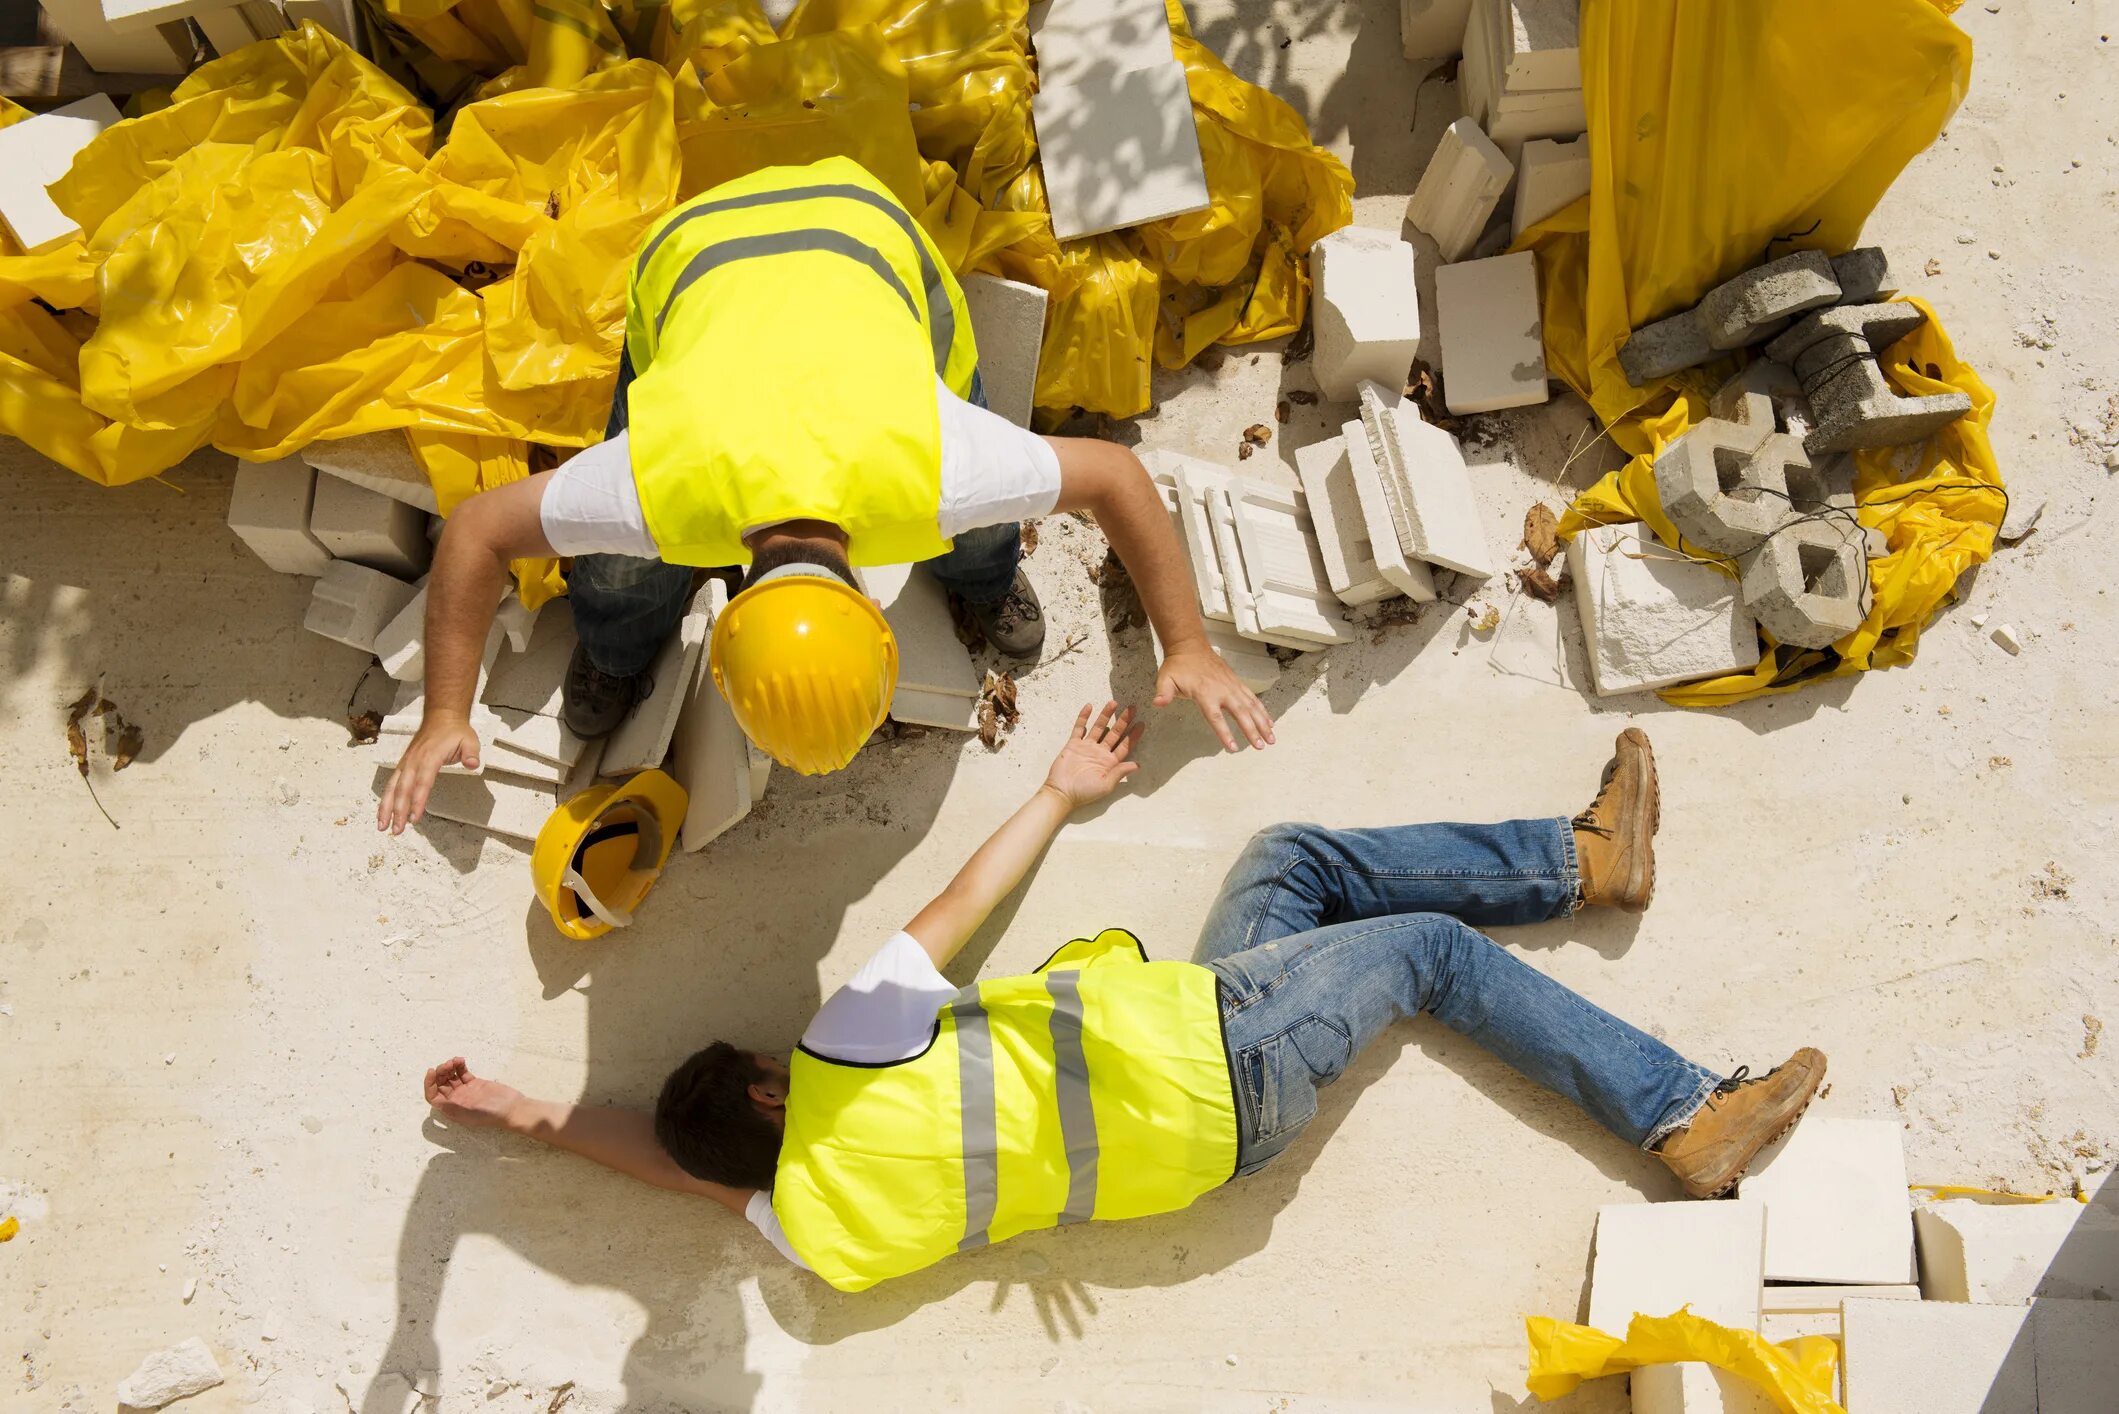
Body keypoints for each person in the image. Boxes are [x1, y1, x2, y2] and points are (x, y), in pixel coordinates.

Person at [420, 714, 1827, 1292]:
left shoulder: (810, 1234)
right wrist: (1056, 787)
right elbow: (951, 911)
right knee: (1423, 955)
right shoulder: (842, 1054)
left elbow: (661, 1165)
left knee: (1289, 865)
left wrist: (523, 1115)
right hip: (1215, 1055)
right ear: (773, 1089)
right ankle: (1680, 1114)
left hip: (1206, 1124)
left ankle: (1586, 860)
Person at [377, 156, 1271, 833]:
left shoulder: (943, 468)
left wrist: (1188, 643)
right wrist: (442, 713)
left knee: (985, 524)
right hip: (694, 246)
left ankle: (983, 575)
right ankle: (619, 644)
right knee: (616, 573)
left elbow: (1113, 479)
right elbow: (475, 532)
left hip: (862, 227)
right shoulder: (657, 486)